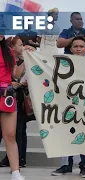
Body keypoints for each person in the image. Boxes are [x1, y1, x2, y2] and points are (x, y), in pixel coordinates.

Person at [51, 36, 85, 178]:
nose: (79, 49)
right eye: (76, 46)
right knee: (66, 132)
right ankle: (66, 165)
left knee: (84, 134)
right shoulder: (64, 63)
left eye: (81, 46)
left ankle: (84, 166)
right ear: (71, 48)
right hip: (67, 103)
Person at [0, 37, 34, 168]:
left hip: (6, 96)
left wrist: (26, 58)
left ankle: (15, 172)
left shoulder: (7, 52)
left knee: (10, 135)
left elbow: (15, 74)